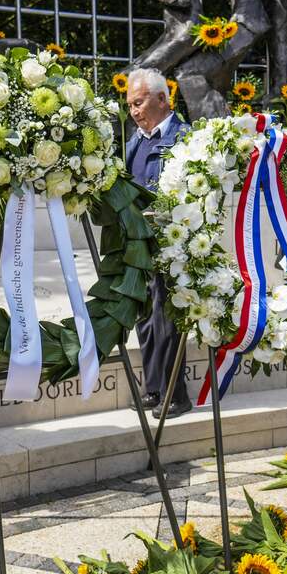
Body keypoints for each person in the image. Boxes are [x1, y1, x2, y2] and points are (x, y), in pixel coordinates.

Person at [124, 67, 191, 419]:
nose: (134, 111)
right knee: (146, 319)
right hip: (140, 245)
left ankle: (174, 394)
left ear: (163, 99)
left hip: (172, 245)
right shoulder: (134, 140)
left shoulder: (185, 138)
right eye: (130, 105)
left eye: (139, 103)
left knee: (167, 320)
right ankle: (153, 388)